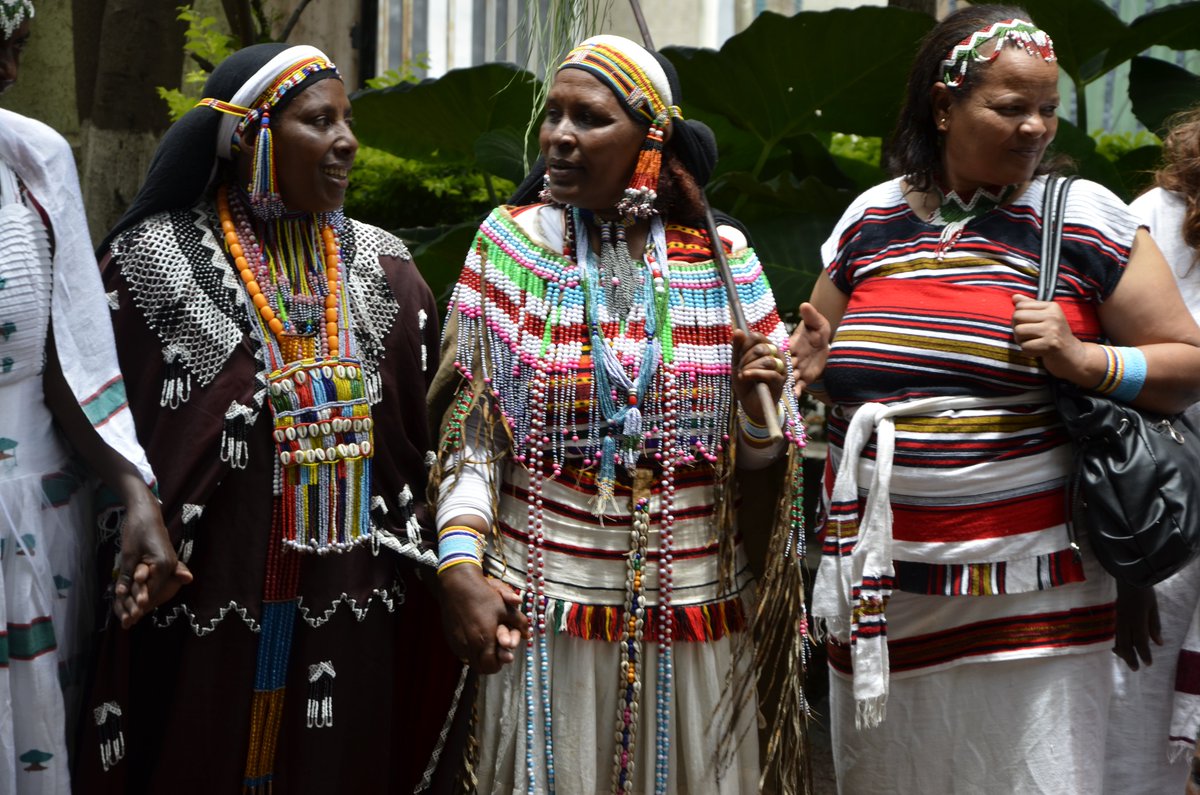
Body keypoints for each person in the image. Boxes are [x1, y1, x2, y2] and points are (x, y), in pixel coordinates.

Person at [788, 6, 1200, 792]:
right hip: (884, 588)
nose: (1035, 127)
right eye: (1011, 108)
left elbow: (1188, 362)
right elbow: (813, 350)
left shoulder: (1083, 218)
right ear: (945, 108)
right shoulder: (870, 220)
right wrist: (799, 366)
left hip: (1030, 596)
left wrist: (1088, 359)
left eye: (1046, 108)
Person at [75, 44, 465, 793]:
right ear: (250, 138)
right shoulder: (152, 260)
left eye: (346, 120)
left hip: (351, 595)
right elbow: (110, 433)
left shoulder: (389, 270)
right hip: (205, 594)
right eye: (320, 121)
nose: (347, 140)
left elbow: (416, 454)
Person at [428, 34, 809, 794]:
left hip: (697, 609)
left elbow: (768, 462)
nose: (560, 137)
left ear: (650, 140)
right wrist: (458, 564)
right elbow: (470, 434)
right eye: (555, 116)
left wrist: (754, 410)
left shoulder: (723, 257)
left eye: (590, 119)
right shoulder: (508, 247)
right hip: (543, 605)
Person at [0, 1, 186, 792]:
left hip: (30, 527)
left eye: (19, 48)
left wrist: (133, 492)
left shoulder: (32, 163)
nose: (9, 71)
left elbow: (70, 354)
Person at [1104, 105, 1200, 795]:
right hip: (1169, 525)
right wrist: (1132, 567)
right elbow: (1115, 392)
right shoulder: (1160, 218)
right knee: (1135, 749)